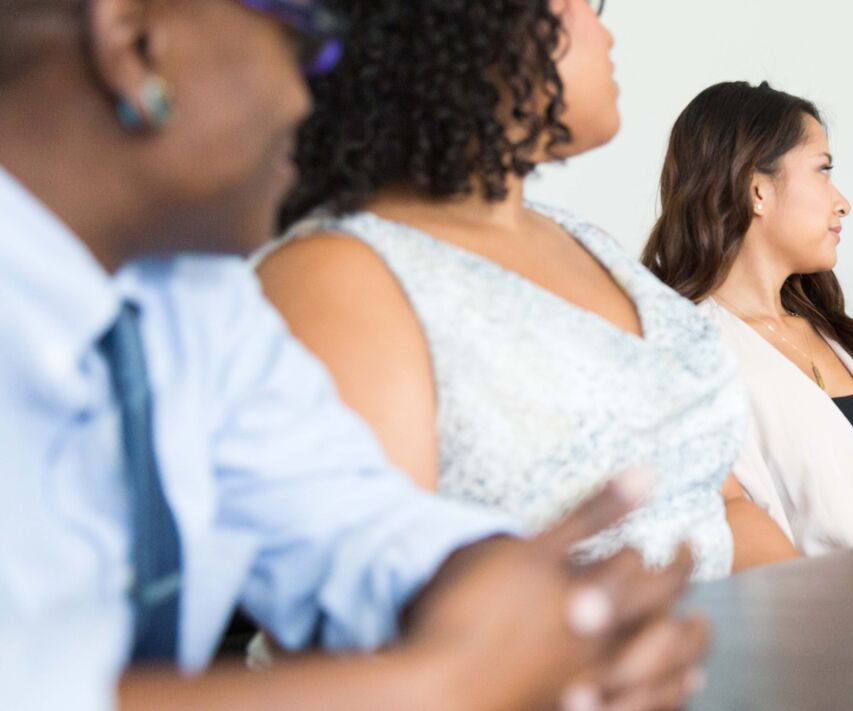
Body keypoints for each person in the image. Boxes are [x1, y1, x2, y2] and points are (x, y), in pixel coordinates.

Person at [0, 0, 706, 708]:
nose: (308, 95)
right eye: (303, 44)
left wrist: (518, 598)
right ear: (135, 44)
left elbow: (354, 524)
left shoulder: (194, 297)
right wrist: (439, 686)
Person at [255, 0, 797, 574]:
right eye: (579, 4)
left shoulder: (587, 242)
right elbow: (378, 616)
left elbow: (723, 502)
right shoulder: (338, 275)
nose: (602, 29)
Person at [642, 81, 853, 555]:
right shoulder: (689, 355)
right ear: (757, 189)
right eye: (823, 170)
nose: (842, 202)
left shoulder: (839, 335)